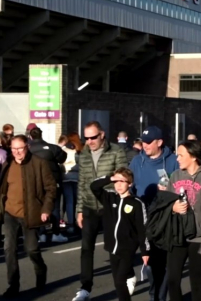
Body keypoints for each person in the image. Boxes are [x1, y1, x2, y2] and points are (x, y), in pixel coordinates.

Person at [0, 135, 57, 298]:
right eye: (14, 149)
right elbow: (2, 189)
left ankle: (41, 270)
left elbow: (51, 188)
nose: (17, 152)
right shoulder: (8, 164)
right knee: (9, 249)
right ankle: (13, 284)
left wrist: (46, 209)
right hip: (10, 213)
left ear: (27, 147)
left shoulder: (39, 164)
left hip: (31, 213)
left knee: (31, 249)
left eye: (20, 148)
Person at [72, 122, 128, 301]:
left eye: (93, 137)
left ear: (102, 135)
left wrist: (110, 191)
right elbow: (81, 183)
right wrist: (79, 209)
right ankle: (85, 288)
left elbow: (122, 177)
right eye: (86, 138)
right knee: (86, 248)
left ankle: (122, 282)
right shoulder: (84, 155)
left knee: (114, 247)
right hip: (89, 207)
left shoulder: (116, 151)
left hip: (109, 207)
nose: (89, 141)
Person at [129, 126, 178, 301]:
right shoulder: (136, 161)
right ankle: (154, 294)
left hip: (165, 219)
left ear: (160, 142)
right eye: (143, 141)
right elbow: (130, 187)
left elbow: (182, 187)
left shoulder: (173, 161)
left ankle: (158, 297)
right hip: (142, 218)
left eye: (149, 142)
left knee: (161, 264)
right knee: (148, 264)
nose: (145, 145)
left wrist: (170, 189)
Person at [166, 141, 201, 301]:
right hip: (177, 236)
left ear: (194, 157)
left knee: (196, 282)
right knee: (172, 280)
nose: (177, 158)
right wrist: (173, 207)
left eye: (181, 155)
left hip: (200, 237)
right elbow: (166, 204)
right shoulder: (175, 175)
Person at [91, 168, 149, 301]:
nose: (118, 185)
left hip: (128, 248)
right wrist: (109, 178)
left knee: (119, 281)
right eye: (116, 181)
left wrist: (145, 251)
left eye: (122, 181)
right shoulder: (109, 197)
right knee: (117, 282)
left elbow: (142, 228)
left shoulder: (137, 203)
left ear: (130, 183)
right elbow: (93, 186)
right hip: (112, 247)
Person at [28, 127, 68, 243]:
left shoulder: (29, 150)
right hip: (53, 180)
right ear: (41, 135)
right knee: (55, 206)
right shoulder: (52, 148)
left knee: (39, 206)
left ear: (30, 136)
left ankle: (42, 233)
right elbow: (62, 157)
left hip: (36, 181)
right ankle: (56, 233)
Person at [62, 133, 83, 233]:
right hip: (77, 177)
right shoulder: (79, 150)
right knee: (78, 201)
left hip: (65, 177)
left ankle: (70, 223)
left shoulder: (64, 149)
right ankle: (79, 221)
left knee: (69, 201)